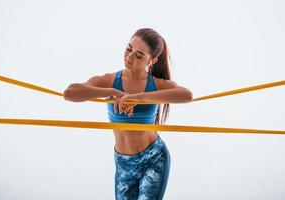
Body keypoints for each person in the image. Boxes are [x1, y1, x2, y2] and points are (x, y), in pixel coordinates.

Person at [63, 28, 193, 200]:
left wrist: (139, 97)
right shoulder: (110, 80)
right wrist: (112, 92)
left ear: (152, 60)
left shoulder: (157, 84)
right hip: (124, 163)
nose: (130, 57)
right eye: (129, 48)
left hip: (153, 158)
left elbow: (186, 95)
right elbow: (70, 93)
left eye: (139, 55)